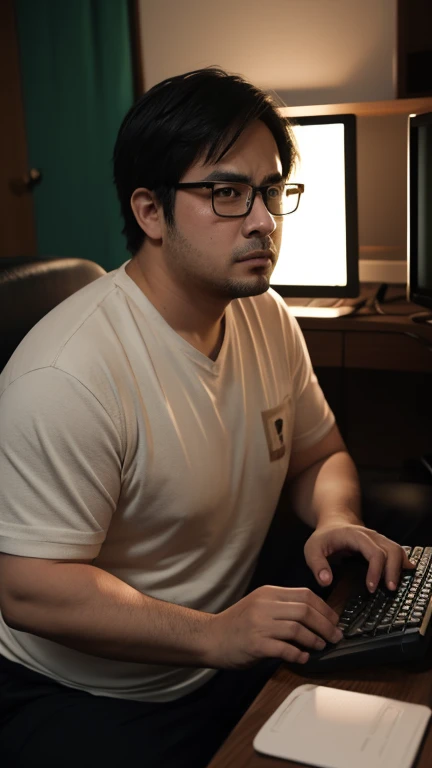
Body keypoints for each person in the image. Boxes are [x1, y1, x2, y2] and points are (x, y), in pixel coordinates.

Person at [0, 68, 416, 767]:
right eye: (227, 193)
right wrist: (213, 635)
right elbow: (29, 590)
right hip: (92, 691)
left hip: (223, 642)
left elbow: (320, 454)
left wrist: (337, 519)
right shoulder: (67, 375)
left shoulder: (265, 314)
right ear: (149, 212)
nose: (261, 220)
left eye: (271, 191)